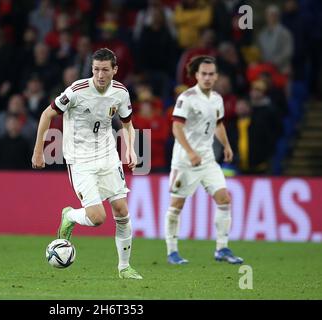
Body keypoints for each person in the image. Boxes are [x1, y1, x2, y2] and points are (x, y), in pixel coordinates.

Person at [31, 48, 143, 280]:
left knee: (122, 211)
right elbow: (46, 115)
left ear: (114, 70)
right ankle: (70, 216)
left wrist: (130, 148)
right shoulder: (76, 91)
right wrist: (38, 151)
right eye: (96, 69)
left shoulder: (121, 93)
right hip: (80, 160)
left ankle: (124, 268)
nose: (100, 75)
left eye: (105, 70)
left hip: (108, 155)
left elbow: (128, 123)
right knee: (98, 217)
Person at [165, 55, 243, 265]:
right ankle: (172, 252)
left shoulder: (217, 99)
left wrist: (226, 145)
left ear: (216, 76)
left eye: (211, 74)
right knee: (176, 206)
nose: (207, 78)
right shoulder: (187, 98)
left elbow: (218, 124)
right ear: (196, 75)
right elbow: (176, 127)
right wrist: (190, 151)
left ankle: (222, 248)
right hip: (185, 161)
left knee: (224, 199)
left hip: (208, 160)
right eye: (203, 74)